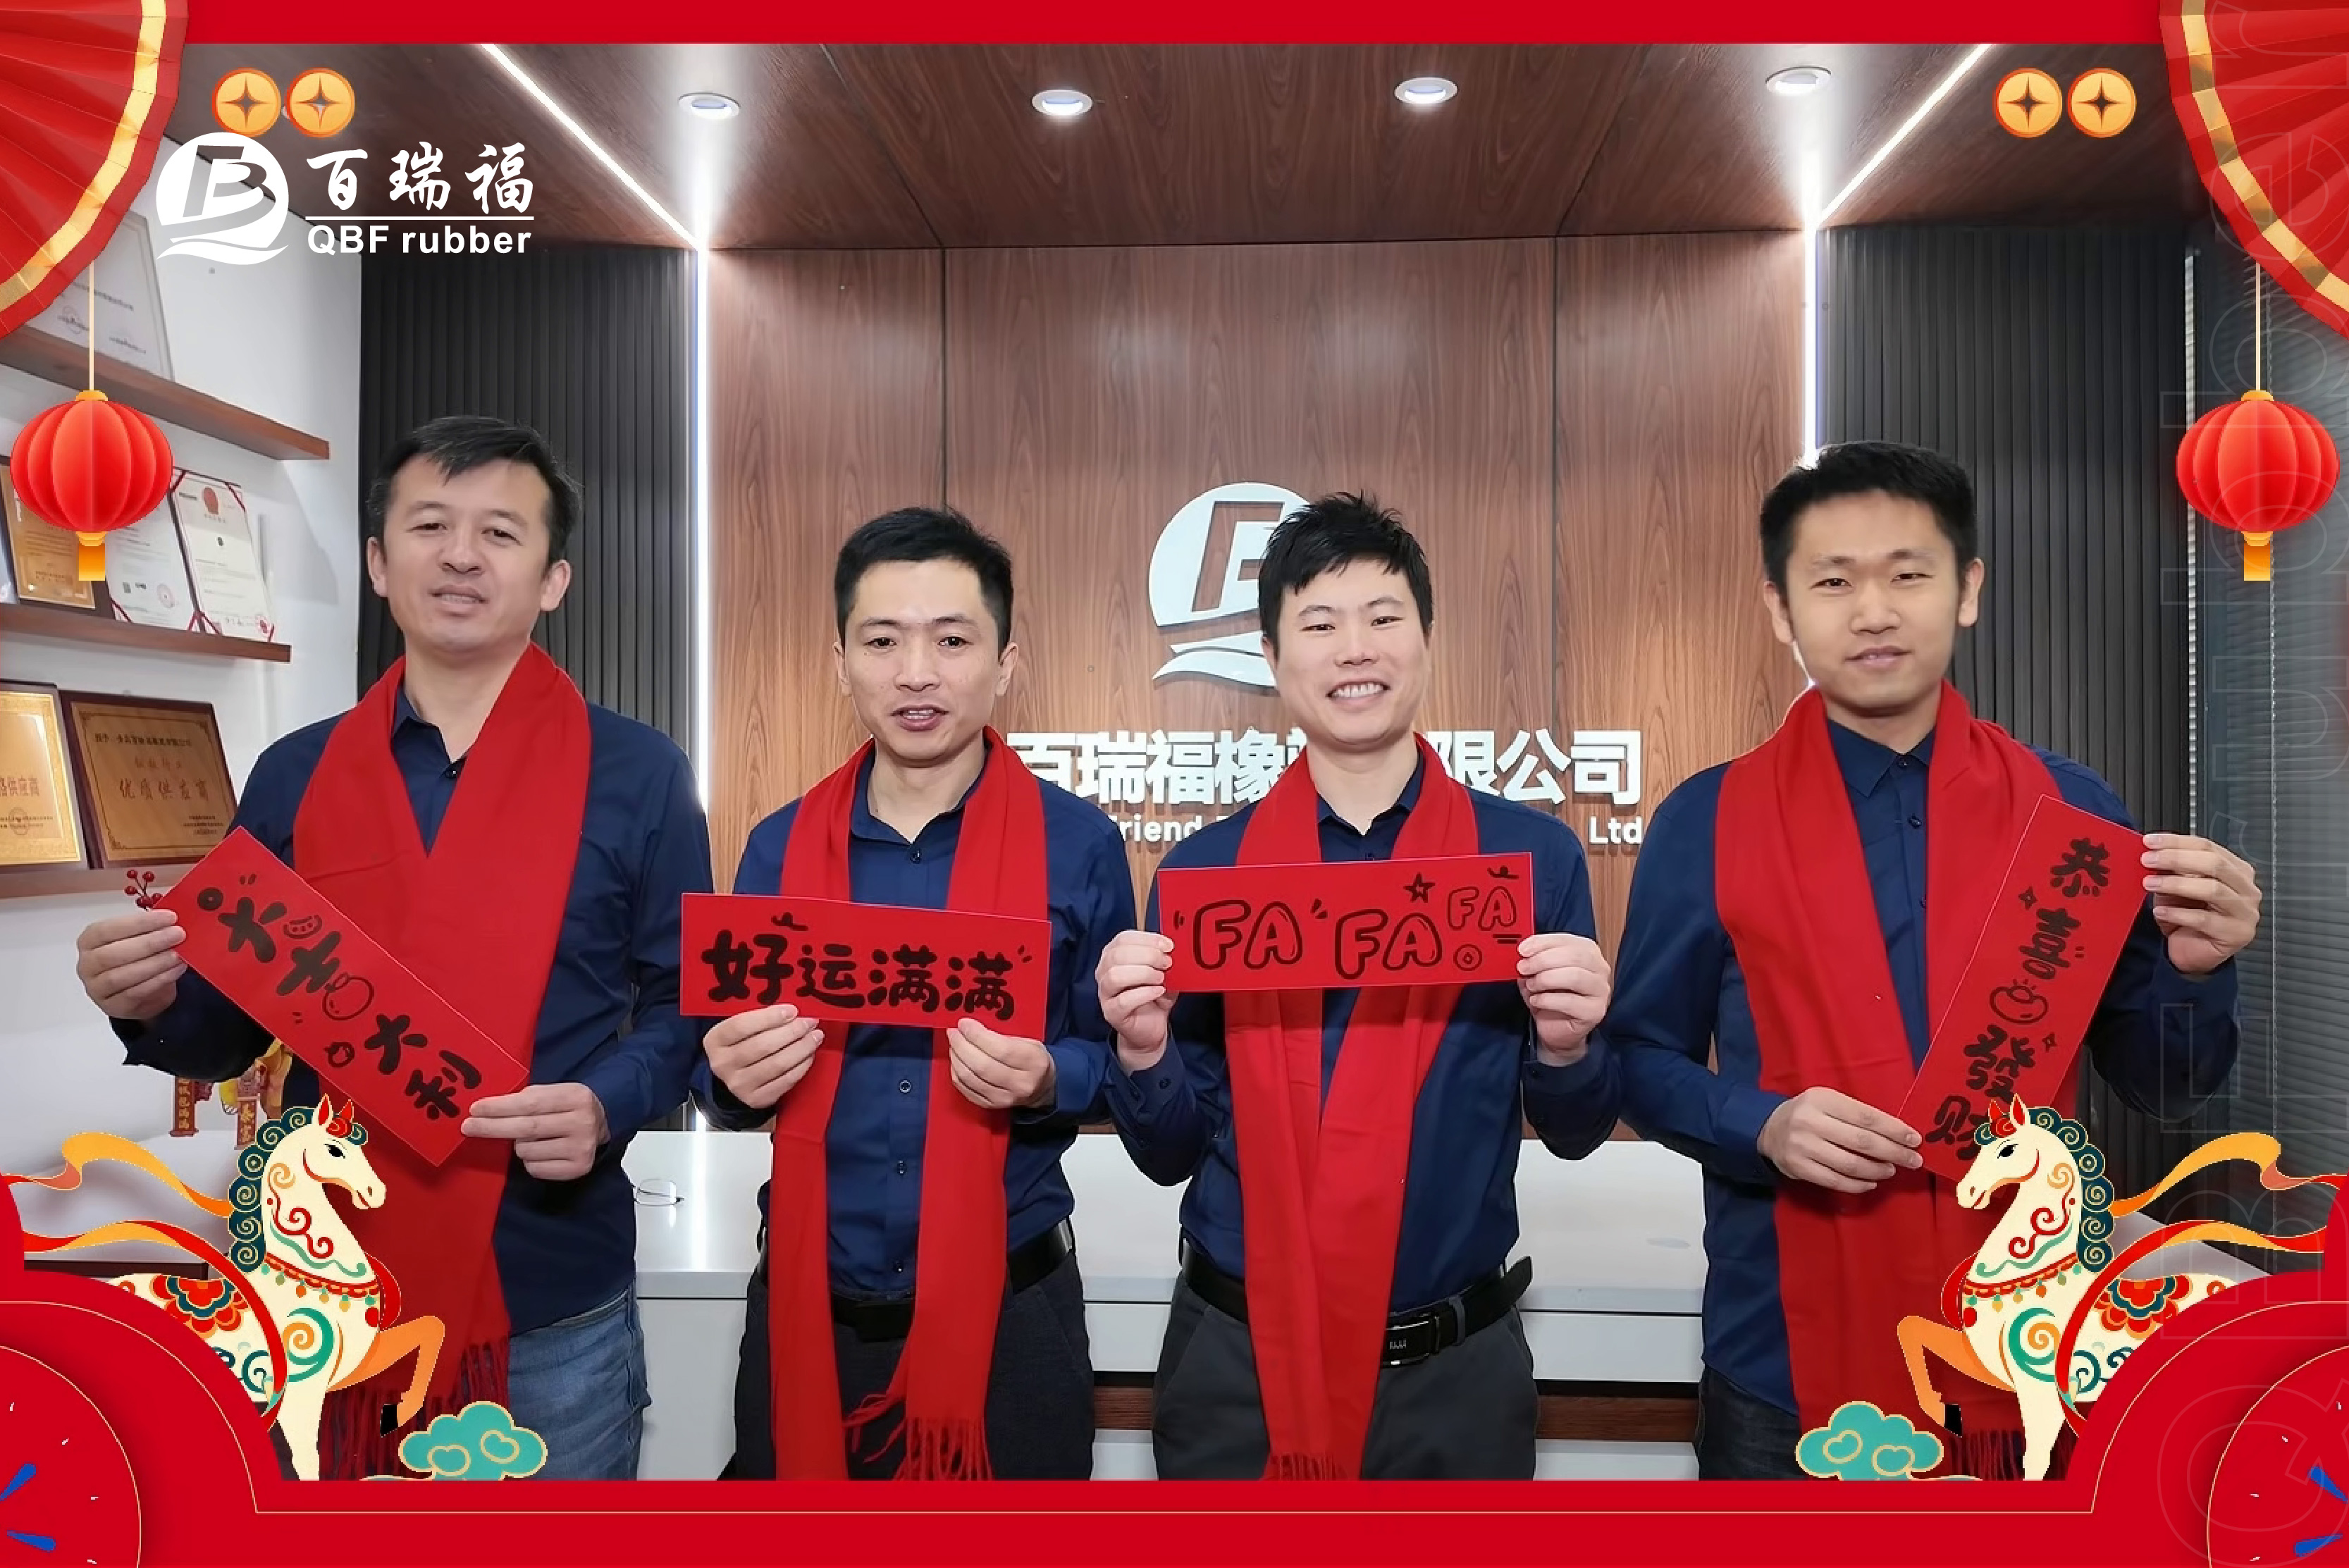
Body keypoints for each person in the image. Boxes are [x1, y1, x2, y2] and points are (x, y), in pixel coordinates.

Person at [73, 416, 710, 1481]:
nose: (462, 556)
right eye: (430, 526)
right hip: (327, 1297)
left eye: (500, 532)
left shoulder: (641, 774)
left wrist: (609, 1102)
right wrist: (142, 1001)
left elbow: (689, 998)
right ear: (378, 563)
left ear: (553, 579)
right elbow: (226, 1030)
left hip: (550, 1293)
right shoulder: (295, 774)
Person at [1610, 440, 2261, 1479]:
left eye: (1907, 574)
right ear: (1780, 609)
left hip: (2028, 1356)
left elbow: (2164, 1085)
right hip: (1780, 1367)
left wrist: (2194, 973)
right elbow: (1639, 1059)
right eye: (1833, 582)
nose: (1873, 611)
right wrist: (1760, 1124)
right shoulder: (1706, 820)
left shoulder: (2071, 814)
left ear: (1966, 590)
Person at [1095, 493, 1620, 1481]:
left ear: (1425, 639)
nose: (1354, 650)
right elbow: (1168, 1153)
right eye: (1318, 624)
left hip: (1454, 1375)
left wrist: (1568, 1046)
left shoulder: (1529, 860)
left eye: (1383, 617)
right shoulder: (1208, 877)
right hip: (1238, 1368)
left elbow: (1577, 1127)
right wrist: (1141, 1050)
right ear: (1270, 655)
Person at [696, 507, 1133, 1481]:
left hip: (1014, 1321)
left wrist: (1047, 1077)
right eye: (883, 640)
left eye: (952, 640)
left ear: (1005, 662)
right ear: (841, 661)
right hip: (809, 1311)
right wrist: (727, 1079)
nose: (916, 672)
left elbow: (1124, 1068)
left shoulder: (1080, 844)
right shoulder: (777, 847)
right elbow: (718, 1068)